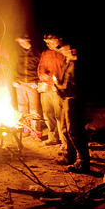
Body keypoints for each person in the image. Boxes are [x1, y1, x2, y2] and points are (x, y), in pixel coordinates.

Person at [55, 44, 90, 172]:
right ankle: (72, 156)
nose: (62, 50)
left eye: (64, 48)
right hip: (68, 98)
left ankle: (83, 162)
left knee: (75, 130)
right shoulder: (68, 61)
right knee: (68, 130)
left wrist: (58, 86)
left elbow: (73, 84)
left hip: (74, 99)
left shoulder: (76, 64)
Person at [13, 34, 43, 138]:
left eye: (23, 41)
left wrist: (38, 81)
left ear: (28, 40)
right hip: (20, 83)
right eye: (20, 42)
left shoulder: (36, 52)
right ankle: (26, 128)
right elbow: (14, 66)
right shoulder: (18, 53)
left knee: (34, 108)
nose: (21, 44)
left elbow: (41, 67)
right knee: (22, 107)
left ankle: (35, 131)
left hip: (32, 83)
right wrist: (14, 79)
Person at [37, 33, 65, 145]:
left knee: (60, 115)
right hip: (46, 87)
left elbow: (66, 71)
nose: (48, 44)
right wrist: (42, 76)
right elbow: (41, 67)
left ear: (59, 40)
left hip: (58, 89)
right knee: (47, 113)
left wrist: (57, 82)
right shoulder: (46, 53)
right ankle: (53, 137)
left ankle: (64, 140)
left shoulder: (64, 53)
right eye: (46, 42)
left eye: (51, 41)